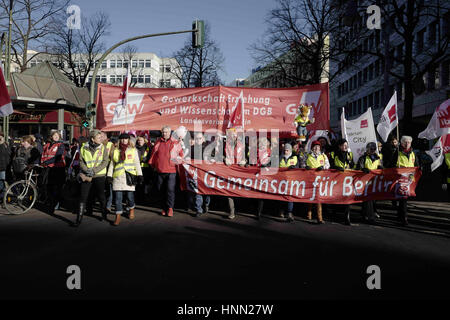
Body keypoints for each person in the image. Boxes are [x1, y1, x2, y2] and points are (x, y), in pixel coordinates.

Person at [107, 133, 143, 226]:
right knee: (118, 199)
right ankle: (118, 216)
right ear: (119, 140)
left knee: (130, 197)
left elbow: (137, 163)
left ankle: (131, 209)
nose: (124, 141)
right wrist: (109, 175)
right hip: (118, 177)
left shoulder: (133, 150)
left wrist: (140, 175)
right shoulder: (115, 151)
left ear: (128, 140)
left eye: (125, 139)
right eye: (122, 139)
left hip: (129, 177)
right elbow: (112, 164)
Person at [76, 130, 110, 226]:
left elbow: (105, 161)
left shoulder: (103, 148)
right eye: (99, 138)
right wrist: (86, 170)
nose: (101, 139)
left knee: (101, 195)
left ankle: (104, 214)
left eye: (101, 137)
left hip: (99, 175)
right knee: (83, 197)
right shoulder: (84, 148)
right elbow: (81, 161)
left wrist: (94, 170)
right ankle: (78, 219)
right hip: (86, 175)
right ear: (92, 139)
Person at [148, 125, 184, 217]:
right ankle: (164, 208)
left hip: (171, 170)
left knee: (170, 189)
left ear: (170, 133)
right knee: (161, 189)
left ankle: (170, 208)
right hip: (160, 170)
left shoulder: (175, 142)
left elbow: (181, 155)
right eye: (163, 132)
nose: (164, 134)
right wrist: (153, 165)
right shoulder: (158, 142)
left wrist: (176, 162)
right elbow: (154, 154)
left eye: (166, 132)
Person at [394, 135, 418, 226]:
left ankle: (400, 216)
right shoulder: (398, 152)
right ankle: (404, 218)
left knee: (403, 198)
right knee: (403, 198)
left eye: (409, 142)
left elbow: (416, 164)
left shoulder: (412, 153)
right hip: (400, 178)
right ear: (402, 143)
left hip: (409, 179)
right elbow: (391, 164)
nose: (407, 144)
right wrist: (398, 168)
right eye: (406, 142)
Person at [329, 138, 355, 225]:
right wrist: (336, 168)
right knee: (337, 196)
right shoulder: (333, 154)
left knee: (347, 197)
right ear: (339, 146)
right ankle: (334, 214)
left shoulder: (349, 154)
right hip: (337, 178)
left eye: (346, 145)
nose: (345, 147)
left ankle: (347, 216)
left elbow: (353, 165)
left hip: (347, 179)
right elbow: (330, 165)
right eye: (343, 145)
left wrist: (350, 164)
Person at [357, 142, 383, 224]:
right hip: (365, 181)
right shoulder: (363, 158)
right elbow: (358, 168)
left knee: (372, 199)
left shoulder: (377, 158)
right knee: (367, 199)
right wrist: (363, 169)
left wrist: (380, 167)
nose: (372, 150)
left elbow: (380, 166)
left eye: (374, 149)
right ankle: (368, 216)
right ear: (367, 149)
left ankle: (367, 214)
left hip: (374, 181)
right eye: (370, 149)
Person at [41, 130, 66, 214]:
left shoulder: (61, 145)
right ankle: (52, 203)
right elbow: (42, 155)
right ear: (51, 136)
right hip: (48, 168)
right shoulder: (47, 145)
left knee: (57, 187)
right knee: (48, 187)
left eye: (57, 135)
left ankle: (55, 204)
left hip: (58, 169)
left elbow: (58, 158)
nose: (56, 137)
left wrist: (46, 162)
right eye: (54, 135)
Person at [305, 140, 330, 224]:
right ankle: (309, 214)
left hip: (320, 180)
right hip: (310, 179)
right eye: (315, 146)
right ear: (312, 148)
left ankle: (320, 218)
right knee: (310, 197)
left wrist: (323, 167)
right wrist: (306, 167)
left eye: (318, 147)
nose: (316, 148)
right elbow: (302, 164)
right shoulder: (308, 155)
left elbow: (328, 165)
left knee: (318, 198)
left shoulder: (323, 156)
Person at [224, 128, 246, 219]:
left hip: (239, 171)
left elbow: (246, 157)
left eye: (234, 135)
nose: (232, 137)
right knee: (230, 192)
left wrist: (244, 161)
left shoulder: (242, 145)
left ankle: (239, 208)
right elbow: (220, 155)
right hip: (229, 170)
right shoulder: (225, 146)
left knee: (238, 191)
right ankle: (232, 211)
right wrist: (225, 159)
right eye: (231, 135)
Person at [187, 132, 210, 217]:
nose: (198, 140)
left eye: (200, 138)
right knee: (198, 191)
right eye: (196, 138)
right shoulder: (192, 148)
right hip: (196, 174)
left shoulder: (208, 147)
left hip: (207, 173)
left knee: (207, 192)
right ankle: (198, 209)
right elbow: (188, 157)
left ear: (203, 139)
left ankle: (206, 204)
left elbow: (214, 157)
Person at [278, 143, 298, 222]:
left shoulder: (295, 158)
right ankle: (281, 211)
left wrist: (294, 167)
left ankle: (289, 212)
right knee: (282, 196)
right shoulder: (280, 158)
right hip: (281, 180)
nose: (286, 152)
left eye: (287, 150)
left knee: (290, 197)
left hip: (291, 180)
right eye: (285, 150)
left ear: (290, 151)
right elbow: (276, 166)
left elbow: (298, 167)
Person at [136, 135, 152, 201]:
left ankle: (145, 196)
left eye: (141, 140)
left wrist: (146, 159)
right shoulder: (135, 148)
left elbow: (150, 156)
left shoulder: (147, 148)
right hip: (138, 167)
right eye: (139, 140)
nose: (140, 142)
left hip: (145, 168)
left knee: (145, 183)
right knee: (139, 183)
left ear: (144, 141)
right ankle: (139, 197)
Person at [0, 133, 10, 207]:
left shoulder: (5, 145)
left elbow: (6, 155)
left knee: (2, 184)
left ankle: (3, 199)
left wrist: (2, 144)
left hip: (2, 168)